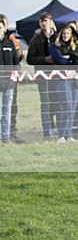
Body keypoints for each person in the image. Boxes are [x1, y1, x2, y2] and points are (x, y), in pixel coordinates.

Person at [49, 22, 78, 143]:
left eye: (68, 33)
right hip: (62, 80)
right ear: (60, 34)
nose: (65, 35)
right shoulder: (55, 46)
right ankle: (61, 135)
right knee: (66, 107)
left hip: (75, 81)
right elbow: (60, 60)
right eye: (64, 33)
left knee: (73, 107)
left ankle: (69, 135)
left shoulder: (75, 46)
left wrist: (69, 59)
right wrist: (71, 60)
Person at [25, 13, 59, 140]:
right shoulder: (36, 39)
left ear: (50, 21)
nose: (43, 23)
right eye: (41, 21)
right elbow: (30, 59)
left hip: (57, 76)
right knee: (45, 103)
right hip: (42, 76)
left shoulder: (58, 37)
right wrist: (45, 59)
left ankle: (57, 128)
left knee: (57, 102)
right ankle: (47, 132)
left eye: (45, 21)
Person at [0, 14, 23, 143]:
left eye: (0, 27)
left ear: (4, 28)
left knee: (7, 112)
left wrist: (16, 73)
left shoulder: (10, 43)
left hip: (9, 85)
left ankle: (5, 137)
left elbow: (16, 62)